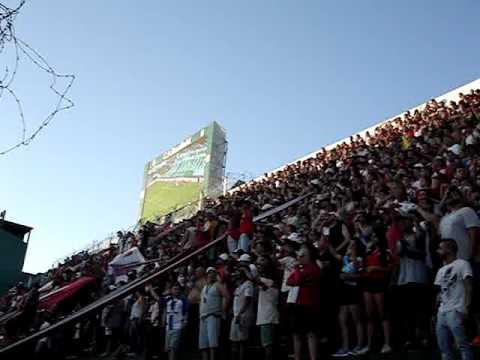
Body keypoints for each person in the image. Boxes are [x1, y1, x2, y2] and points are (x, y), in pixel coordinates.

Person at [435, 239, 474, 360]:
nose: (438, 251)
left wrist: (466, 307)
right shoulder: (440, 270)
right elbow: (439, 291)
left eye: (440, 248)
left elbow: (468, 286)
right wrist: (436, 309)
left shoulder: (462, 264)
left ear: (449, 249)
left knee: (462, 345)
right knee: (444, 348)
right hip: (442, 311)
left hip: (456, 309)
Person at [330, 242, 366, 357]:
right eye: (349, 246)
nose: (349, 247)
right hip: (343, 291)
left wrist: (347, 276)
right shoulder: (344, 258)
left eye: (352, 246)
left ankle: (359, 345)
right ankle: (345, 347)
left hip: (353, 291)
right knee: (342, 320)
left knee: (356, 320)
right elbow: (334, 253)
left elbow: (360, 275)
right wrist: (327, 240)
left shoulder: (359, 259)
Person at [286, 244, 321, 360]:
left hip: (310, 304)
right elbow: (289, 281)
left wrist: (297, 270)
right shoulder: (301, 268)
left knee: (310, 333)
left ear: (309, 256)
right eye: (299, 254)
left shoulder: (313, 267)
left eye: (302, 254)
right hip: (297, 304)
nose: (299, 256)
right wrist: (298, 274)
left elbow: (297, 280)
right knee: (296, 333)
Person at [362, 232, 393, 354]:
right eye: (372, 236)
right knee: (369, 315)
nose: (373, 238)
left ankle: (387, 343)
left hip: (380, 283)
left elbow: (390, 268)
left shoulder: (386, 252)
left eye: (375, 236)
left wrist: (376, 268)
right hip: (367, 283)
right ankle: (369, 344)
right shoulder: (368, 252)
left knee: (383, 314)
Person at [439, 186, 480, 260]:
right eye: (448, 194)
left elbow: (474, 234)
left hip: (465, 257)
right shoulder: (444, 218)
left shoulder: (466, 210)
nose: (450, 195)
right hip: (450, 261)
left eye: (454, 193)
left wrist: (470, 255)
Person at [199, 267, 230, 360]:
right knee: (203, 344)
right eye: (210, 273)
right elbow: (201, 302)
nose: (211, 274)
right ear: (207, 274)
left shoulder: (218, 285)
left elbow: (227, 296)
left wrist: (222, 310)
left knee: (213, 343)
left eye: (213, 273)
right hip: (203, 316)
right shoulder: (204, 287)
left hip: (213, 315)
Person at [255, 256, 279, 360]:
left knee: (268, 345)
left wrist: (246, 270)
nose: (259, 267)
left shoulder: (267, 281)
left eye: (261, 265)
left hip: (267, 317)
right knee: (268, 345)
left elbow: (255, 279)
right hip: (267, 316)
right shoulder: (270, 281)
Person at [230, 264, 255, 360]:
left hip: (243, 316)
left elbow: (248, 300)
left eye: (238, 271)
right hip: (236, 316)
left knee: (242, 342)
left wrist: (240, 314)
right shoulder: (238, 286)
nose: (236, 273)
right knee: (234, 341)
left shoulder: (248, 284)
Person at [164, 283, 188, 360]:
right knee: (168, 348)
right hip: (168, 327)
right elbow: (164, 309)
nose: (176, 291)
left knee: (173, 348)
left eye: (177, 289)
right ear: (171, 290)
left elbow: (186, 311)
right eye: (174, 289)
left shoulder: (183, 299)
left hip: (177, 326)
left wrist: (184, 322)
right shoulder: (168, 299)